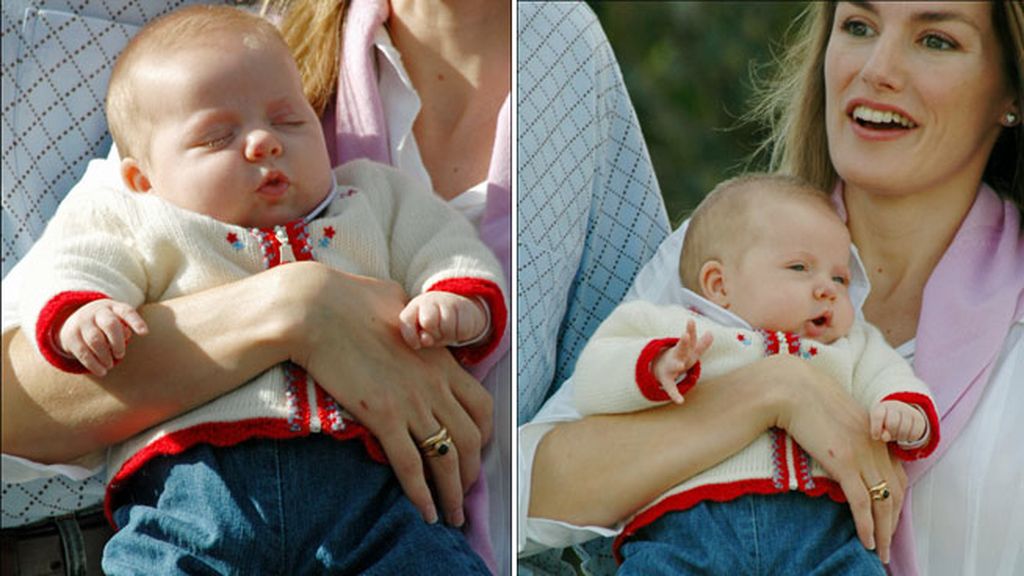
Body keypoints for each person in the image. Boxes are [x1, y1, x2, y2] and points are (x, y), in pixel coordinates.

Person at [2, 0, 511, 573]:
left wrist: (456, 299)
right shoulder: (142, 219)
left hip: (366, 495)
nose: (264, 143)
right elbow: (75, 261)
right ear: (142, 177)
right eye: (218, 137)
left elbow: (441, 244)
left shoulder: (369, 196)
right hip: (195, 495)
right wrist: (81, 312)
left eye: (289, 120)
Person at [519, 2, 1022, 575]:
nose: (878, 68)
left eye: (935, 40)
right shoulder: (726, 251)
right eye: (858, 27)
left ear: (1012, 91)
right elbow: (528, 499)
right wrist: (773, 391)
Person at [572, 174, 938, 573]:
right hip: (686, 529)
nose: (828, 290)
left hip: (821, 533)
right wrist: (655, 365)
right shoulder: (678, 330)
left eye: (841, 278)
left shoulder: (851, 345)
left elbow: (889, 376)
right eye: (800, 267)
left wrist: (903, 412)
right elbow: (593, 377)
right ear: (719, 284)